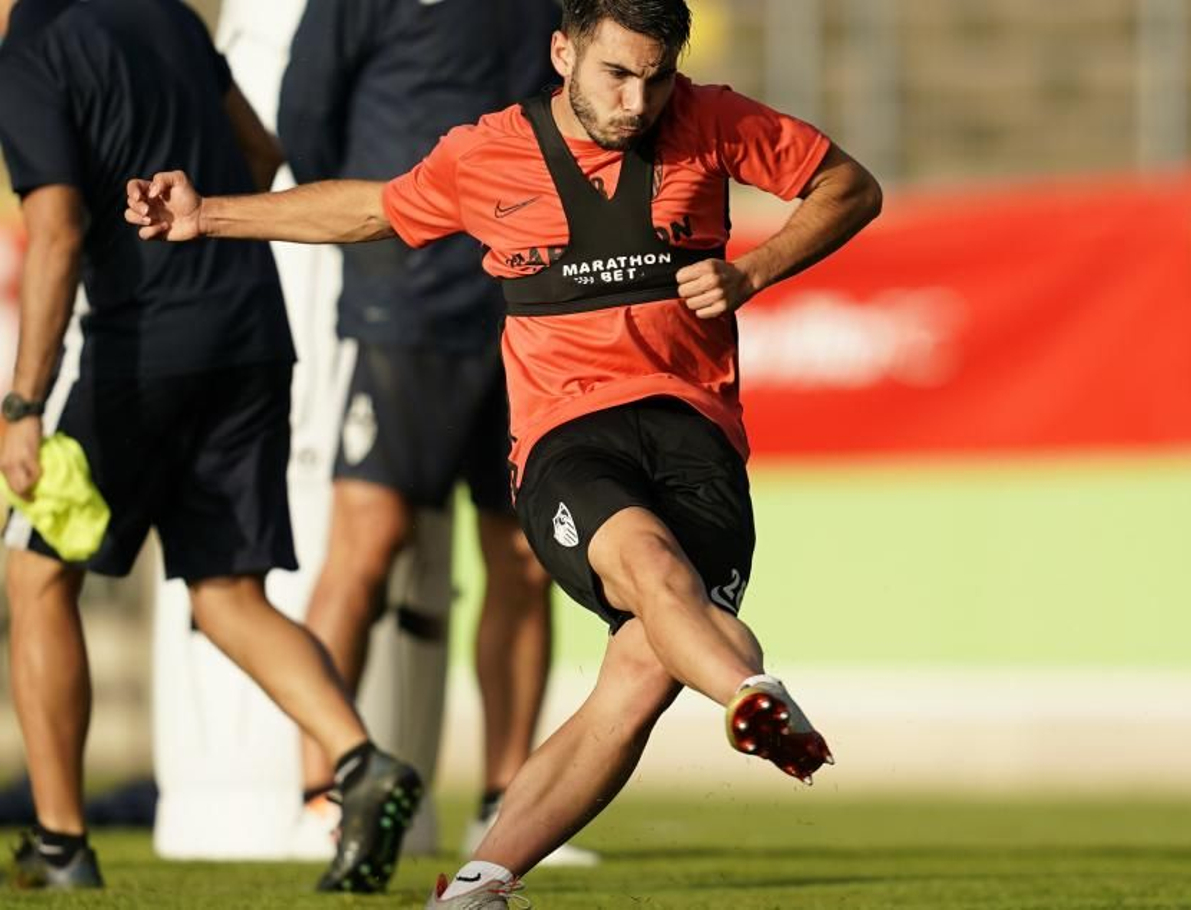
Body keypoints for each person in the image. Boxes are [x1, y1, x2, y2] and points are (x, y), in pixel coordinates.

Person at [125, 0, 882, 904]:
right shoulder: (487, 151)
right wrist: (208, 214)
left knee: (638, 680)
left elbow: (850, 187)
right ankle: (750, 694)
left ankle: (479, 882)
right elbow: (368, 210)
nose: (637, 101)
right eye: (616, 74)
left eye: (655, 79)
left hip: (698, 436)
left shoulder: (713, 119)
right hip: (569, 437)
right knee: (646, 565)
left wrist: (753, 270)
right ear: (563, 52)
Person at [0, 0, 421, 893]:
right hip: (251, 334)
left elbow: (59, 231)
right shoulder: (167, 15)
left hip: (142, 352)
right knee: (227, 594)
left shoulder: (31, 48)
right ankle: (358, 760)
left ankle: (61, 843)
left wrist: (25, 402)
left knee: (36, 573)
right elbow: (260, 154)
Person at [274, 0, 594, 865]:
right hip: (404, 300)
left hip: (530, 298)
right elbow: (306, 120)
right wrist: (379, 231)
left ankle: (504, 806)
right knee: (367, 540)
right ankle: (323, 799)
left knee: (524, 557)